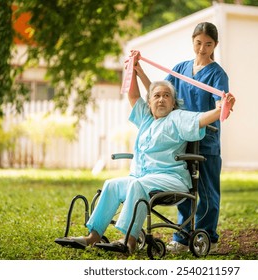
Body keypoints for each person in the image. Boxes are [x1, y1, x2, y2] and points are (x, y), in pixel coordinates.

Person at [55, 53, 226, 254]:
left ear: (173, 103)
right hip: (143, 179)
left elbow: (201, 119)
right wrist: (132, 70)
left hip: (171, 179)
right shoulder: (145, 118)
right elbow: (133, 96)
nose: (161, 99)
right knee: (112, 185)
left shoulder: (177, 118)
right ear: (150, 102)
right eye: (156, 96)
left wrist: (221, 108)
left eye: (166, 95)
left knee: (137, 184)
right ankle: (93, 236)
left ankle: (129, 241)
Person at [134, 22, 232, 253]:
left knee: (206, 192)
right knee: (185, 189)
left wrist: (224, 105)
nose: (202, 48)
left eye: (208, 44)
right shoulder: (180, 68)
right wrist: (139, 71)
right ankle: (182, 236)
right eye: (199, 43)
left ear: (215, 45)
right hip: (181, 139)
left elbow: (221, 107)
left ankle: (208, 237)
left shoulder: (218, 74)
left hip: (206, 142)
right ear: (192, 42)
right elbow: (157, 92)